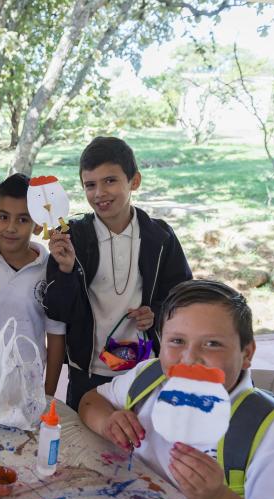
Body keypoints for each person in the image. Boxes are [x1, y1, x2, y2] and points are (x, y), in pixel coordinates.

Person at [79, 280, 274, 499]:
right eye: (177, 341)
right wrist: (108, 421)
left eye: (212, 344)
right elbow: (90, 401)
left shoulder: (271, 431)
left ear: (247, 353)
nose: (190, 358)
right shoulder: (149, 379)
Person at [44, 136, 191, 410]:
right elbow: (58, 310)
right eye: (90, 185)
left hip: (143, 368)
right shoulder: (71, 237)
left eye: (110, 181)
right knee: (86, 445)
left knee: (137, 440)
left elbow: (183, 296)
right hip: (87, 370)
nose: (99, 193)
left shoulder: (159, 237)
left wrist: (156, 313)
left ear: (134, 181)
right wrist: (65, 270)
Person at [0, 174, 66, 394]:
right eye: (4, 217)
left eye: (23, 219)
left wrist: (49, 394)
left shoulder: (51, 270)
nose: (11, 227)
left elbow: (55, 336)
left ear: (37, 225)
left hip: (27, 387)